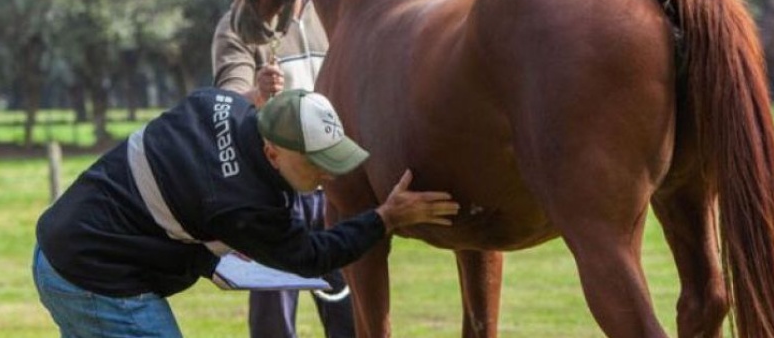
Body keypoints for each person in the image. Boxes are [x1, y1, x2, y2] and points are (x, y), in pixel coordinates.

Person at [34, 87, 459, 338]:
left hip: (65, 244)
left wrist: (206, 249)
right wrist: (386, 217)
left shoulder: (218, 102)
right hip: (92, 275)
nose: (327, 176)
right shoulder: (246, 204)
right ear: (272, 152)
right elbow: (312, 256)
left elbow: (187, 177)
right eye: (315, 163)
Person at [211, 0, 353, 337]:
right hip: (275, 193)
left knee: (351, 314)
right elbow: (227, 103)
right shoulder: (239, 25)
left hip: (336, 186)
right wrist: (257, 93)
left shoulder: (336, 11)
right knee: (273, 319)